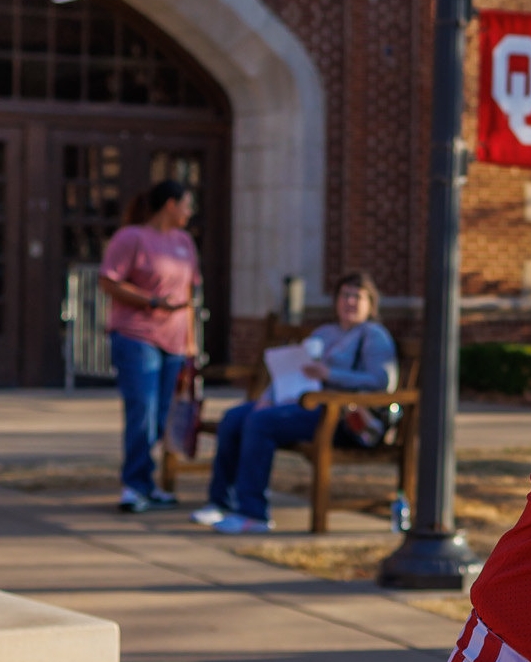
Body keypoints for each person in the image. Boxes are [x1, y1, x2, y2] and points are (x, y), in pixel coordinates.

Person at [194, 271, 397, 534]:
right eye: (344, 295)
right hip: (305, 405)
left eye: (357, 297)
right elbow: (292, 370)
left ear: (371, 303)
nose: (349, 302)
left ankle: (254, 514)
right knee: (236, 417)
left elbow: (382, 380)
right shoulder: (325, 332)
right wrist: (266, 399)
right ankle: (221, 503)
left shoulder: (373, 335)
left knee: (260, 423)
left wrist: (330, 374)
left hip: (341, 417)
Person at [99, 180, 199, 513]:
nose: (190, 211)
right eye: (186, 204)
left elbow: (189, 297)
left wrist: (191, 345)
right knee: (141, 409)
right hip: (136, 336)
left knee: (161, 417)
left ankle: (146, 482)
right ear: (170, 205)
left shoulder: (185, 242)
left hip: (174, 342)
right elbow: (108, 281)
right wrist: (151, 301)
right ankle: (134, 486)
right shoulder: (132, 238)